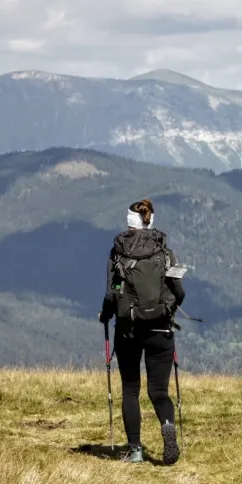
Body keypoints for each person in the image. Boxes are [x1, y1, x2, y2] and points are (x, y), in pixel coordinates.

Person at [99, 198, 186, 465]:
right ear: (151, 220)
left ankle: (135, 450)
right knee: (159, 391)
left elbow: (113, 294)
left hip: (129, 331)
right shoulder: (166, 252)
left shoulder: (117, 254)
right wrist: (168, 309)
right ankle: (168, 426)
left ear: (129, 222)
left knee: (130, 390)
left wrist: (106, 315)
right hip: (161, 328)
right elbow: (179, 293)